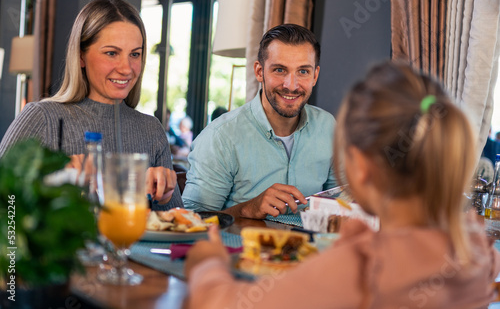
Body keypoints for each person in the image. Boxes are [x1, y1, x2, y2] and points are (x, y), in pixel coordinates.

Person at [184, 62, 500, 308]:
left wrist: (208, 263)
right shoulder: (477, 248)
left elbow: (221, 303)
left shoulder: (361, 268)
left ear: (359, 167)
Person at [0, 0, 182, 209]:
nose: (126, 68)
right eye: (111, 53)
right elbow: (6, 206)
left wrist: (165, 197)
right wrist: (50, 181)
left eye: (135, 54)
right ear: (81, 56)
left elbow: (178, 229)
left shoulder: (151, 130)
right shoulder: (42, 117)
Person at [182, 24, 336, 219]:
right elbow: (189, 222)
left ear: (315, 75)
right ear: (259, 71)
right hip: (240, 248)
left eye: (303, 71)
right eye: (280, 70)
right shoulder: (220, 137)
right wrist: (247, 209)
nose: (291, 85)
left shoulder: (328, 127)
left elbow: (343, 203)